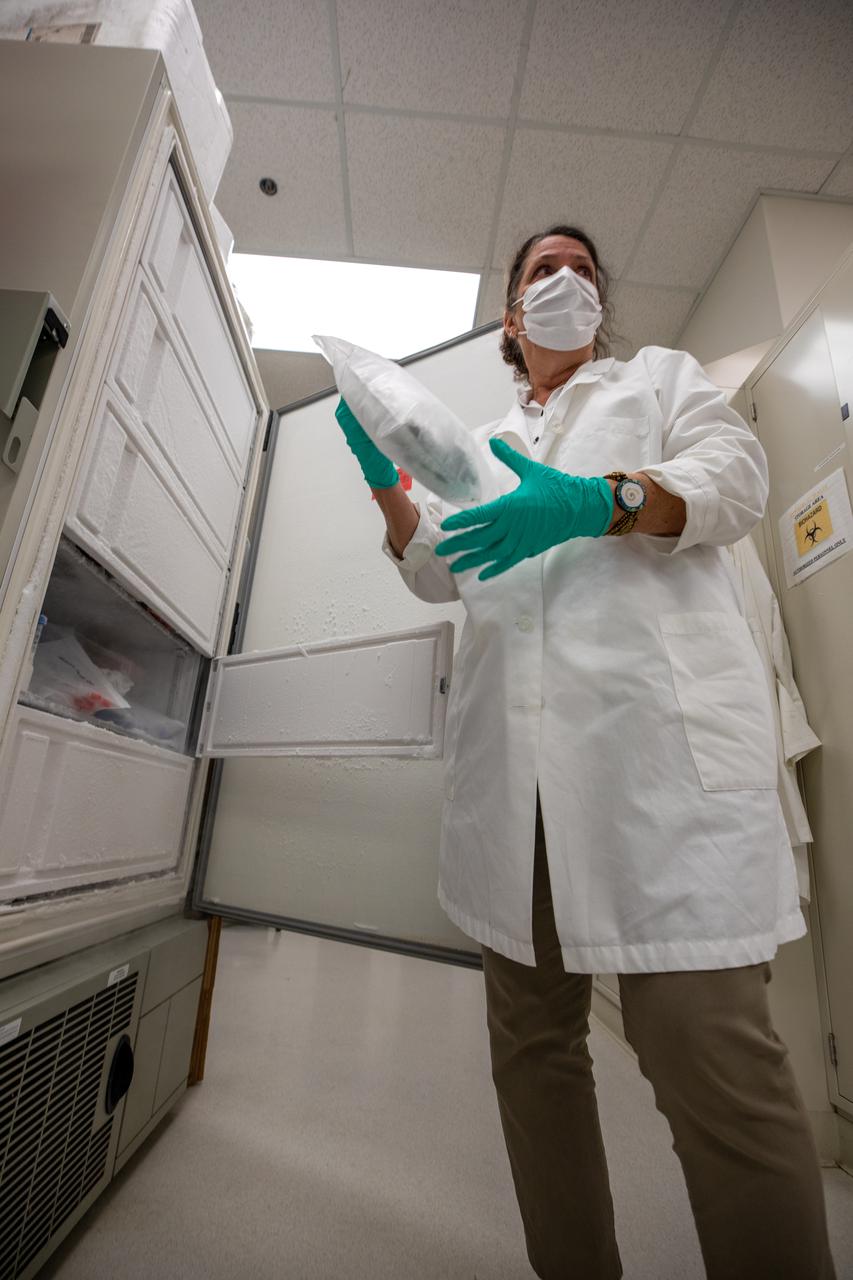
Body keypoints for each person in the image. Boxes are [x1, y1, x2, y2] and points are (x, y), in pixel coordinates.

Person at [333, 225, 837, 1280]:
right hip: (512, 788)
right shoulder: (472, 439)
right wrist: (387, 480)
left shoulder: (654, 380)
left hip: (656, 770)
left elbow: (734, 473)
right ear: (511, 316)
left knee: (715, 1067)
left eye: (582, 270)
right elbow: (437, 569)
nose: (566, 280)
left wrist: (599, 498)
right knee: (534, 1059)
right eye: (540, 270)